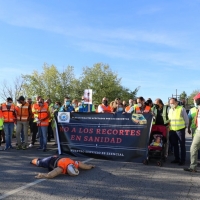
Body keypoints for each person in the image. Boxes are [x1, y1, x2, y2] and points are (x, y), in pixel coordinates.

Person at [30, 155, 95, 179]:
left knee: (40, 161)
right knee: (38, 162)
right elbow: (51, 174)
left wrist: (90, 166)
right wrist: (43, 175)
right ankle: (33, 160)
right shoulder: (61, 168)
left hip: (56, 157)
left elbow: (84, 166)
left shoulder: (73, 163)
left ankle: (35, 160)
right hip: (49, 162)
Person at [168, 98, 189, 165]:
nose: (171, 104)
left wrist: (186, 126)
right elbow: (169, 120)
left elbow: (186, 119)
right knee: (175, 145)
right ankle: (177, 159)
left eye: (172, 103)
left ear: (176, 102)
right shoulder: (170, 110)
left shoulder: (181, 109)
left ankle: (182, 160)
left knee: (182, 145)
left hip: (180, 130)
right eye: (170, 103)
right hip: (172, 130)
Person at [184, 93, 200, 172]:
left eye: (195, 100)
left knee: (193, 148)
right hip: (198, 130)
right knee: (193, 148)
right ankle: (193, 167)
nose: (194, 101)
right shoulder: (197, 109)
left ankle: (193, 167)